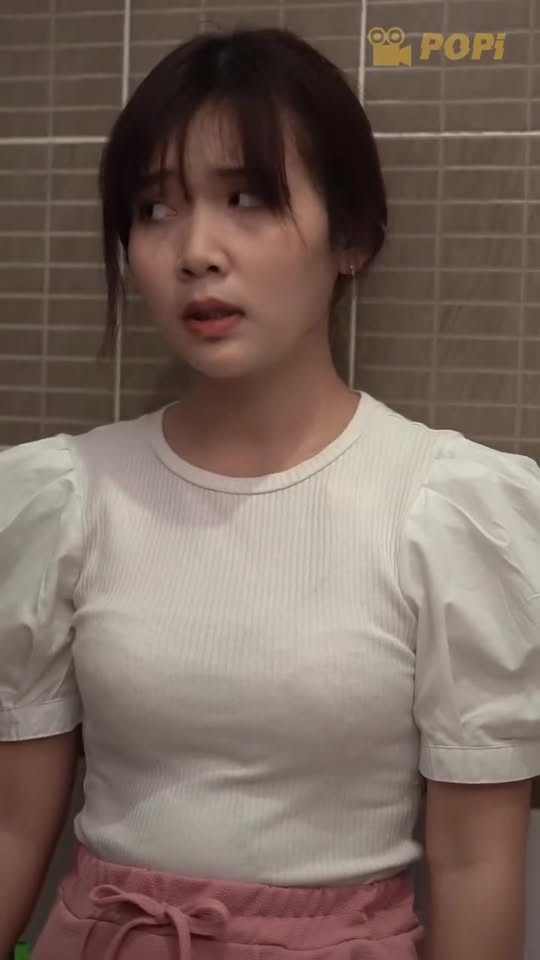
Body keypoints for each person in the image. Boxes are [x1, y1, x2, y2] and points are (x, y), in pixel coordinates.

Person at [0, 27, 539, 960]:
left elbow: (473, 866)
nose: (195, 251)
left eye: (247, 198)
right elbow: (12, 827)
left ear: (352, 237)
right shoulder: (64, 498)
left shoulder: (450, 511)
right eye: (154, 209)